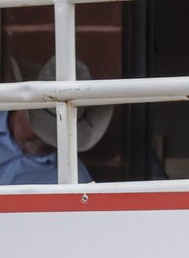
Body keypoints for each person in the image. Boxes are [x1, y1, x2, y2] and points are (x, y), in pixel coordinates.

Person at [1, 56, 111, 185]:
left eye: (58, 132)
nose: (45, 139)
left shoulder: (73, 180)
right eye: (40, 126)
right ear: (22, 105)